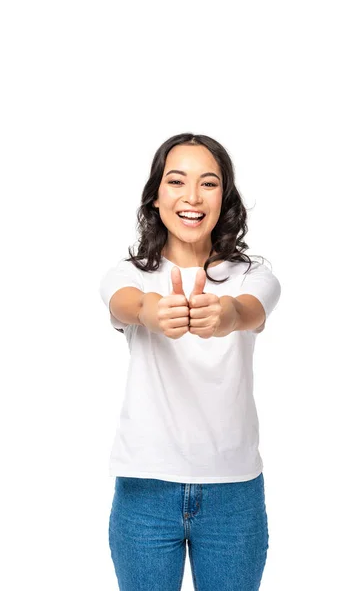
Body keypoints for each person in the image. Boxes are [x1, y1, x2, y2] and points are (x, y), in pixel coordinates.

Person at [99, 132, 281, 591]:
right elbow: (123, 304)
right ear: (156, 197)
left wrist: (224, 315)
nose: (192, 197)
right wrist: (151, 312)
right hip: (145, 491)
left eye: (209, 183)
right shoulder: (129, 274)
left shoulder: (253, 275)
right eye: (176, 181)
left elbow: (249, 309)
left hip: (233, 494)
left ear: (225, 197)